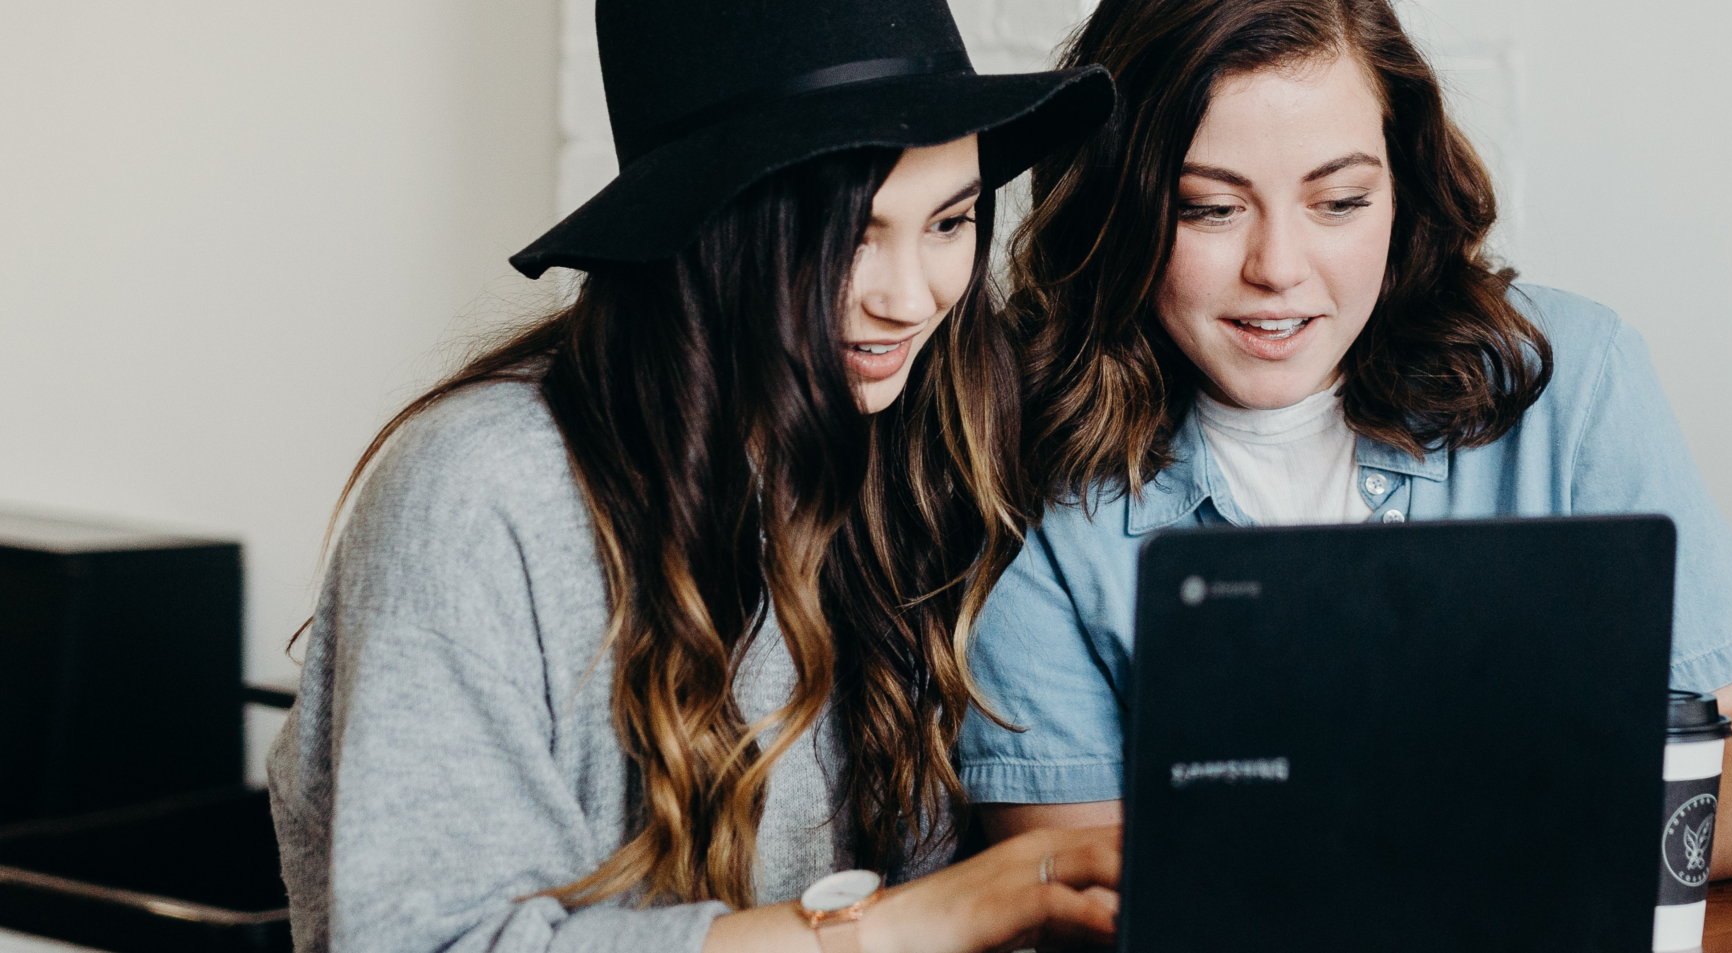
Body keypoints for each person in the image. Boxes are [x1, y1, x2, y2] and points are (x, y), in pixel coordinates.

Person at [265, 2, 1124, 951]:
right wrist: (926, 916)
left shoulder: (920, 448)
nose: (910, 297)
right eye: (847, 233)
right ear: (707, 220)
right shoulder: (481, 490)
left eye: (950, 219)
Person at [962, 0, 1732, 880]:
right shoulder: (1020, 453)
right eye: (1208, 208)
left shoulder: (1569, 378)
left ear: (1403, 185)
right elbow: (1073, 886)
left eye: (1339, 200)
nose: (1277, 268)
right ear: (1115, 205)